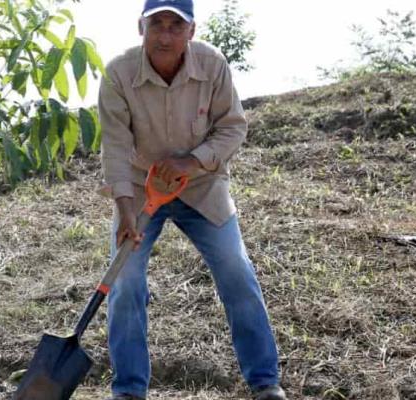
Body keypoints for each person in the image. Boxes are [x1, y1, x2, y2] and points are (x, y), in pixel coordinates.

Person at [97, 1, 286, 399]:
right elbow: (114, 147)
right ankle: (128, 389)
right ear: (140, 27)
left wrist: (190, 161)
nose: (165, 36)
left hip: (201, 186)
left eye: (175, 26)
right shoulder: (118, 73)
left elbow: (233, 128)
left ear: (191, 31)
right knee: (125, 279)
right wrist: (125, 210)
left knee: (236, 268)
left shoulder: (213, 65)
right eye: (157, 25)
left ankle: (265, 381)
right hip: (139, 190)